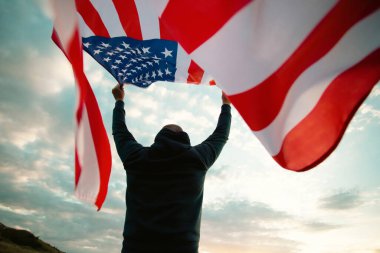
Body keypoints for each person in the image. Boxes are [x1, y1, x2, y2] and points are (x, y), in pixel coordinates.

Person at [112, 84, 231, 253]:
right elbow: (221, 135)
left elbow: (119, 132)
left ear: (158, 138)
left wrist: (119, 101)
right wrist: (226, 104)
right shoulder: (197, 159)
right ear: (185, 139)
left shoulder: (137, 158)